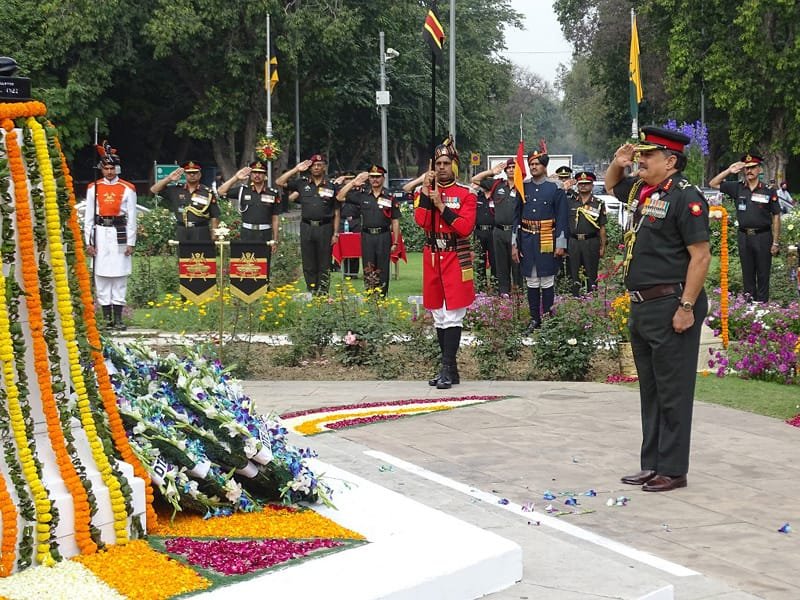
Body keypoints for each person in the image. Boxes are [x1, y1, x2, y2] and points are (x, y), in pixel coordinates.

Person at [605, 125, 711, 493]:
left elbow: (700, 257)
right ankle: (651, 463)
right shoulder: (644, 190)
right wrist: (617, 164)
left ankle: (673, 468)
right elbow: (610, 186)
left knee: (673, 391)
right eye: (640, 154)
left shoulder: (686, 197)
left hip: (672, 303)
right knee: (650, 390)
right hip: (644, 306)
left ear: (670, 161)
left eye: (647, 156)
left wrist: (686, 306)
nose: (640, 160)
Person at [414, 139, 476, 389]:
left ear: (454, 166)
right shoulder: (424, 192)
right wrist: (429, 196)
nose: (441, 168)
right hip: (432, 257)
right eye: (438, 163)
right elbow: (421, 220)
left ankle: (447, 367)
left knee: (452, 315)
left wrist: (442, 205)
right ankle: (449, 369)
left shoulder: (466, 194)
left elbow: (464, 228)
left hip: (455, 256)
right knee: (439, 315)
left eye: (446, 163)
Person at [709, 153, 781, 302]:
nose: (749, 171)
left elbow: (776, 215)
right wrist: (729, 170)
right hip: (744, 236)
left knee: (763, 273)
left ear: (759, 169)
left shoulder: (768, 190)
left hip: (763, 236)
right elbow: (713, 184)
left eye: (753, 167)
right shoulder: (738, 188)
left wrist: (775, 242)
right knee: (747, 273)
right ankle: (748, 306)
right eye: (746, 168)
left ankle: (761, 306)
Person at [512, 146, 569, 332]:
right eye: (531, 164)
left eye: (537, 163)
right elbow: (516, 217)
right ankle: (534, 319)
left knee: (547, 280)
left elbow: (562, 218)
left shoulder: (555, 188)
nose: (533, 167)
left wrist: (560, 243)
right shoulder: (523, 187)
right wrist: (514, 243)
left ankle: (548, 319)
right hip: (527, 240)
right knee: (532, 280)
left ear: (545, 166)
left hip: (547, 238)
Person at [84, 150, 137, 330]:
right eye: (106, 168)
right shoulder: (94, 187)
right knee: (101, 274)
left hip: (119, 231)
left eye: (112, 168)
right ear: (101, 169)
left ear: (117, 169)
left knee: (120, 274)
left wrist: (131, 242)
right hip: (100, 232)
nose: (109, 172)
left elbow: (132, 217)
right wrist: (88, 242)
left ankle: (119, 318)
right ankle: (106, 319)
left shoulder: (127, 188)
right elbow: (88, 218)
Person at [276, 154, 339, 293]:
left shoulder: (332, 186)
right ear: (310, 168)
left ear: (324, 167)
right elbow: (279, 182)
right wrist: (296, 169)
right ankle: (311, 290)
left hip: (325, 227)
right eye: (314, 165)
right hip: (307, 227)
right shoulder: (302, 183)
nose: (316, 167)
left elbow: (336, 211)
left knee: (324, 263)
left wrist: (336, 233)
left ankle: (323, 293)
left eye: (320, 165)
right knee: (308, 262)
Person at [336, 165, 401, 296]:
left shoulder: (389, 196)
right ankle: (371, 298)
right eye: (372, 177)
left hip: (383, 235)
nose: (375, 180)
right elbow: (340, 197)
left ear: (383, 178)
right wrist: (353, 183)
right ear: (368, 179)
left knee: (383, 269)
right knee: (368, 267)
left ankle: (382, 298)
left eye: (378, 177)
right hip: (367, 236)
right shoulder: (362, 195)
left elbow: (395, 220)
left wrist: (395, 242)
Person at [217, 160, 280, 268]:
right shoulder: (243, 190)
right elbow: (220, 191)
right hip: (247, 233)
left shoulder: (272, 193)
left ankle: (265, 285)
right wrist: (236, 177)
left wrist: (275, 239)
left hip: (265, 233)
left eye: (260, 173)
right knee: (247, 264)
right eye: (254, 172)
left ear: (265, 176)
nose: (257, 175)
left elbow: (275, 218)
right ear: (250, 175)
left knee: (264, 265)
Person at [472, 159, 521, 295]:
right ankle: (503, 295)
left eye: (514, 167)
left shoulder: (523, 187)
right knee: (501, 266)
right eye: (509, 167)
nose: (511, 169)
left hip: (515, 231)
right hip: (498, 231)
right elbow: (474, 179)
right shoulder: (497, 185)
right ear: (505, 171)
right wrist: (491, 172)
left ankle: (518, 295)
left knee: (517, 265)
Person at [150, 161, 220, 242]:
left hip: (201, 230)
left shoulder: (207, 192)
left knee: (201, 254)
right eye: (189, 173)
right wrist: (169, 179)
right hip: (182, 230)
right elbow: (154, 189)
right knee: (183, 254)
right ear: (185, 175)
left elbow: (215, 215)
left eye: (195, 172)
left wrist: (214, 234)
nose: (192, 175)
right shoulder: (176, 190)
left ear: (200, 175)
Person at [567, 171, 607, 294]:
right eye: (581, 184)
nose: (583, 186)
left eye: (587, 183)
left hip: (591, 242)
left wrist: (603, 246)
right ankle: (575, 299)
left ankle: (591, 298)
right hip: (574, 242)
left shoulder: (598, 203)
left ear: (592, 185)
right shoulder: (570, 201)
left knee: (591, 272)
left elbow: (602, 227)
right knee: (573, 273)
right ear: (577, 185)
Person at [334, 172, 361, 278]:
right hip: (342, 221)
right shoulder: (340, 191)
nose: (349, 181)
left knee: (355, 247)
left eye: (351, 179)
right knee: (342, 247)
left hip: (355, 221)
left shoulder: (358, 191)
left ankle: (354, 273)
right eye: (347, 179)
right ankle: (342, 270)